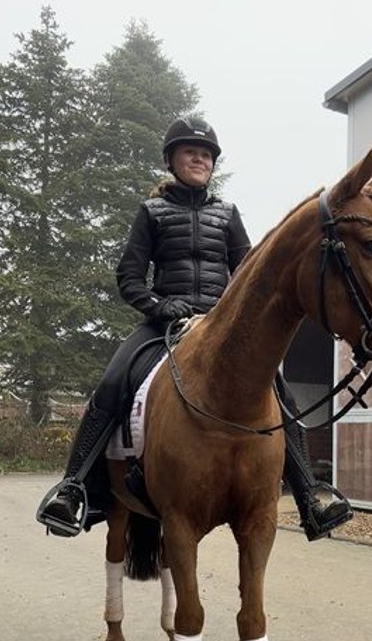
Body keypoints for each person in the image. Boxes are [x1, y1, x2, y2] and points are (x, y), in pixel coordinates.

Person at [36, 116, 352, 541]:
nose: (199, 159)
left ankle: (309, 495)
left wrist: (235, 315)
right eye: (190, 152)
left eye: (205, 154)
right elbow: (129, 277)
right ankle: (73, 488)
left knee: (281, 393)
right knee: (112, 382)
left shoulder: (227, 214)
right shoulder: (152, 212)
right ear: (172, 160)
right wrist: (159, 305)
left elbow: (250, 275)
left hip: (222, 326)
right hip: (165, 322)